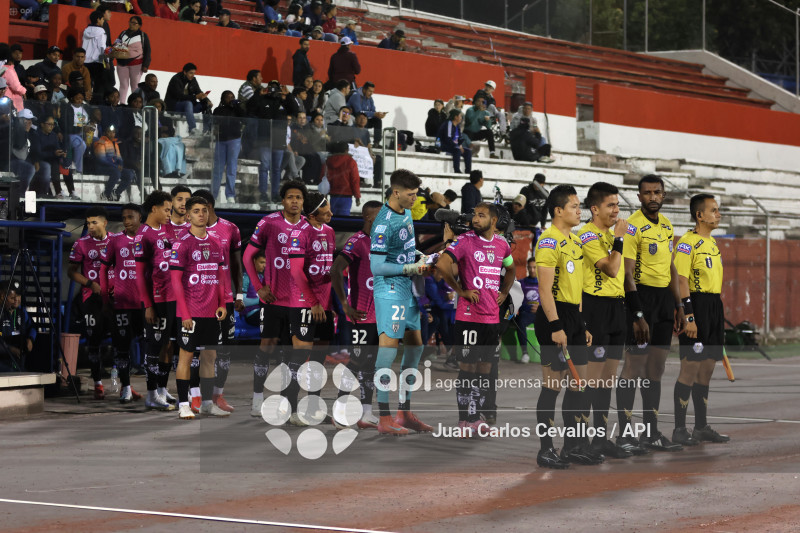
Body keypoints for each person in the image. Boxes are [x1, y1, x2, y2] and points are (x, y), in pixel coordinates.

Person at [533, 185, 599, 469]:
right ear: (558, 210)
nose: (579, 211)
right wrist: (556, 326)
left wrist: (580, 324)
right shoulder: (548, 241)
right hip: (554, 318)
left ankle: (574, 447)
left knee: (578, 387)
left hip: (573, 318)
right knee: (552, 388)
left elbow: (577, 289)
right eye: (574, 206)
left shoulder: (575, 243)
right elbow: (545, 291)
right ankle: (546, 450)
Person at [435, 203, 515, 435]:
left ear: (494, 220)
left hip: (491, 319)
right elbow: (442, 264)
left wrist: (505, 291)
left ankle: (477, 416)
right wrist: (461, 291)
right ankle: (465, 419)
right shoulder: (465, 240)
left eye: (481, 216)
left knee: (484, 370)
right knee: (468, 369)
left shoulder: (502, 244)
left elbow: (510, 270)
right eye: (474, 215)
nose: (475, 219)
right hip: (468, 317)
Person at [619, 174, 685, 452]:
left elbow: (671, 267)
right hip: (641, 299)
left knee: (655, 369)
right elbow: (627, 272)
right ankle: (624, 435)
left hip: (664, 302)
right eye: (647, 193)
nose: (653, 197)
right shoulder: (633, 226)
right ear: (639, 197)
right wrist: (637, 314)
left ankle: (651, 432)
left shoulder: (668, 226)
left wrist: (679, 305)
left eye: (657, 192)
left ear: (664, 195)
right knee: (634, 368)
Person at [577, 182, 640, 458]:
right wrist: (620, 238)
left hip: (617, 308)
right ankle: (581, 441)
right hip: (595, 309)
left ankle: (601, 439)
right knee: (591, 381)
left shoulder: (614, 235)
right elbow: (612, 269)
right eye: (611, 205)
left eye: (617, 204)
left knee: (606, 381)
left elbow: (626, 277)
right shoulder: (587, 235)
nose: (617, 210)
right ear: (594, 209)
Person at [369, 169, 433, 435]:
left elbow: (405, 248)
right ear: (396, 192)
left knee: (416, 347)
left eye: (416, 194)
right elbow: (377, 266)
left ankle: (404, 412)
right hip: (390, 290)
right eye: (411, 195)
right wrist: (409, 269)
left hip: (409, 290)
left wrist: (421, 258)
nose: (415, 200)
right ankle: (384, 417)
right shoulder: (383, 223)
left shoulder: (406, 213)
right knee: (387, 351)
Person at [242, 180, 308, 419]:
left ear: (303, 201)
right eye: (290, 197)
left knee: (292, 353)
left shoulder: (309, 226)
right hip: (272, 299)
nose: (294, 201)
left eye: (298, 197)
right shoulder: (269, 222)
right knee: (266, 347)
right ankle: (257, 397)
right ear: (283, 200)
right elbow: (248, 256)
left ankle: (285, 401)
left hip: (297, 302)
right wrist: (258, 287)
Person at [672, 194, 730, 445]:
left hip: (714, 306)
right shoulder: (687, 243)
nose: (718, 214)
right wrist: (689, 316)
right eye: (714, 211)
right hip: (695, 305)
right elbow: (680, 279)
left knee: (706, 370)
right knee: (690, 368)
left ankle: (701, 426)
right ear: (699, 215)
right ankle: (679, 429)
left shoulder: (713, 243)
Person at [169, 196, 229, 420]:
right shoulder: (181, 242)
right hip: (190, 313)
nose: (201, 214)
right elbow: (175, 282)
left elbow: (221, 277)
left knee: (209, 357)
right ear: (188, 216)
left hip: (211, 312)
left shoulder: (216, 242)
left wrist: (222, 303)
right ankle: (183, 404)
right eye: (196, 211)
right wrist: (184, 314)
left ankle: (206, 403)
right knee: (185, 357)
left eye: (204, 210)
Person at [331, 200, 384, 428]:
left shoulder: (383, 242)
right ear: (370, 217)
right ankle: (339, 410)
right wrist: (345, 304)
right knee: (356, 361)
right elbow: (335, 269)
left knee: (371, 364)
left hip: (380, 315)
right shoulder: (357, 242)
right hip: (361, 315)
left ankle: (365, 413)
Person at [189, 189, 243, 412]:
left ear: (208, 207)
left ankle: (217, 395)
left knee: (225, 351)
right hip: (198, 301)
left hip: (225, 300)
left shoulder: (230, 228)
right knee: (196, 351)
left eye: (201, 208)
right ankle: (196, 397)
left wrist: (239, 294)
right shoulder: (188, 232)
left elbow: (236, 263)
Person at [134, 191, 178, 411]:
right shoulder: (143, 236)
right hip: (157, 299)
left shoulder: (166, 230)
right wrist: (148, 305)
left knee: (167, 345)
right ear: (154, 209)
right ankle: (151, 395)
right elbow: (140, 275)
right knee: (153, 347)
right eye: (166, 209)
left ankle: (161, 389)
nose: (169, 214)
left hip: (172, 297)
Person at [98, 204, 144, 403]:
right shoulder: (115, 240)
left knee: (152, 346)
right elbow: (103, 269)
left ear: (140, 217)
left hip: (146, 304)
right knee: (122, 348)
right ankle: (125, 387)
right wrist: (106, 299)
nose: (126, 221)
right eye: (124, 217)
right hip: (123, 304)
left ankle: (156, 388)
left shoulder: (149, 238)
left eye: (130, 217)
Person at [67, 207, 111, 400]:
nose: (90, 226)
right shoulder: (81, 244)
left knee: (122, 340)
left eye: (94, 222)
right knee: (94, 342)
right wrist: (90, 284)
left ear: (105, 223)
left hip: (114, 298)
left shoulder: (116, 241)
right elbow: (71, 271)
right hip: (90, 299)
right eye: (88, 223)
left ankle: (124, 385)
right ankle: (97, 384)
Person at [247, 81, 289, 208]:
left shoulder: (283, 101)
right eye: (271, 87)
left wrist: (288, 96)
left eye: (276, 88)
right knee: (264, 167)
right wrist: (258, 94)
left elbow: (295, 109)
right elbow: (250, 108)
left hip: (278, 140)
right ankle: (263, 193)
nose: (273, 90)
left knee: (276, 169)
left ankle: (275, 194)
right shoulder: (262, 100)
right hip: (264, 140)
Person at [212, 91, 245, 204]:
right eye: (228, 97)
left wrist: (237, 106)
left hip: (234, 139)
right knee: (218, 169)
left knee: (231, 168)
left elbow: (245, 118)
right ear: (223, 99)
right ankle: (214, 195)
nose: (230, 99)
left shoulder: (236, 109)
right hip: (221, 140)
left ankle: (230, 195)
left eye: (232, 97)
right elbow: (215, 120)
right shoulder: (218, 110)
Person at [165, 63, 212, 136]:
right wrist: (196, 97)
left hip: (188, 108)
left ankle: (207, 129)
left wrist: (207, 100)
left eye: (194, 73)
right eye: (191, 73)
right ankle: (192, 129)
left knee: (205, 105)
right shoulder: (176, 79)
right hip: (174, 106)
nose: (193, 75)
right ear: (185, 72)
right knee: (188, 103)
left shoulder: (193, 80)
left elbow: (198, 91)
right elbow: (179, 96)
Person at [114, 16, 151, 103]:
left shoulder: (143, 36)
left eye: (134, 23)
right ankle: (122, 104)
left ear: (139, 25)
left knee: (134, 86)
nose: (132, 24)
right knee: (123, 85)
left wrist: (145, 65)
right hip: (121, 63)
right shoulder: (123, 33)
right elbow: (116, 44)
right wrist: (111, 52)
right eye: (130, 22)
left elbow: (147, 51)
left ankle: (134, 106)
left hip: (137, 64)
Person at [0, 282, 37, 371]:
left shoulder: (22, 312)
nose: (16, 300)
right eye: (12, 298)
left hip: (18, 364)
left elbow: (32, 326)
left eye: (19, 296)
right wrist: (9, 349)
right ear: (2, 296)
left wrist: (30, 339)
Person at [94, 125, 134, 201]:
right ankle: (106, 193)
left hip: (113, 167)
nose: (112, 134)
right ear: (105, 133)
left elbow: (119, 158)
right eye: (109, 132)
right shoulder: (101, 142)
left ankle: (116, 193)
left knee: (129, 174)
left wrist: (120, 165)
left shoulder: (115, 143)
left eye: (113, 132)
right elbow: (101, 159)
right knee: (116, 173)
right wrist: (115, 166)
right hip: (101, 167)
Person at [30, 115, 65, 198]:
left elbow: (57, 149)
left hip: (51, 159)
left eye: (53, 125)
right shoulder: (36, 134)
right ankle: (47, 192)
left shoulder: (53, 135)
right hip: (38, 160)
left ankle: (59, 191)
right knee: (48, 166)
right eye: (49, 124)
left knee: (58, 165)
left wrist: (61, 154)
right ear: (42, 124)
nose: (51, 127)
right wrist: (53, 154)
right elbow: (37, 153)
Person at [348, 81, 386, 148]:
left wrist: (378, 114)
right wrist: (374, 114)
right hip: (355, 120)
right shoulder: (356, 95)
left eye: (372, 91)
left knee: (377, 120)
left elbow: (373, 111)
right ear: (364, 89)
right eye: (369, 91)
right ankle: (363, 143)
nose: (371, 93)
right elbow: (359, 112)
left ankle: (376, 143)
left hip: (365, 119)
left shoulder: (370, 98)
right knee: (362, 119)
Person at [326, 141, 360, 216]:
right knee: (344, 220)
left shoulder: (328, 161)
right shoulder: (351, 161)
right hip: (346, 196)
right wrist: (357, 196)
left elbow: (324, 178)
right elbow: (355, 180)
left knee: (333, 219)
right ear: (346, 150)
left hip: (333, 195)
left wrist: (324, 195)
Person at [515, 257, 539, 364]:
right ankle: (525, 353)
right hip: (527, 314)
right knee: (520, 322)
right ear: (527, 268)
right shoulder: (522, 283)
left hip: (541, 314)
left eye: (534, 267)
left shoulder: (544, 283)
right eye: (530, 268)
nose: (532, 270)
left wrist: (541, 308)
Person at [82, 12, 108, 105]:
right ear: (98, 19)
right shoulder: (101, 32)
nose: (103, 21)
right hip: (97, 62)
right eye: (102, 19)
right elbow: (102, 48)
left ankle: (85, 103)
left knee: (86, 85)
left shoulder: (86, 30)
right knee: (97, 87)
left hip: (85, 62)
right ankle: (94, 105)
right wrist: (107, 61)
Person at [438, 109, 470, 174]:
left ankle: (468, 171)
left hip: (454, 146)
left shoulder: (457, 126)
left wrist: (460, 145)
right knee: (457, 150)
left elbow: (460, 138)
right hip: (445, 145)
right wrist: (457, 146)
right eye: (460, 116)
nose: (461, 118)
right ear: (455, 117)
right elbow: (448, 138)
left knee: (468, 151)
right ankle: (457, 170)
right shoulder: (448, 123)